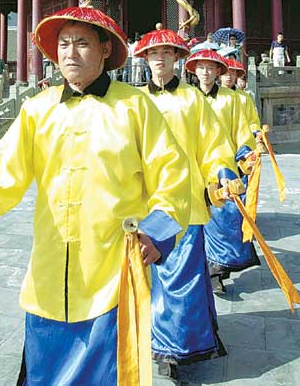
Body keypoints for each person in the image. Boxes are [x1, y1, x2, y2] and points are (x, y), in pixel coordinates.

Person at [0, 4, 191, 386]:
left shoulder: (136, 107)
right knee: (44, 369)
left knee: (108, 371)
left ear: (105, 50)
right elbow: (1, 172)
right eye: (64, 44)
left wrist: (158, 229)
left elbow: (173, 174)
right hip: (51, 268)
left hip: (112, 266)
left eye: (82, 43)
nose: (71, 52)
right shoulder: (38, 109)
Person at [135, 30, 238, 379]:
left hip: (186, 202)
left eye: (166, 53)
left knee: (182, 278)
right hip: (143, 206)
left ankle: (177, 349)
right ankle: (163, 335)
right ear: (144, 60)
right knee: (150, 278)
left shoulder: (193, 100)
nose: (160, 59)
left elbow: (214, 145)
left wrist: (222, 173)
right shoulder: (133, 103)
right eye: (153, 54)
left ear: (177, 59)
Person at [185, 49, 259, 293]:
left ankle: (217, 271)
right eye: (201, 67)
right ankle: (199, 269)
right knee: (194, 222)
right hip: (193, 167)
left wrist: (245, 157)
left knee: (223, 222)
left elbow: (241, 132)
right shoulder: (187, 98)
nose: (205, 72)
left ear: (219, 72)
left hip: (222, 168)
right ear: (194, 71)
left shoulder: (231, 99)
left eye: (210, 68)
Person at [220, 59, 260, 131]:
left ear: (236, 75)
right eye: (226, 73)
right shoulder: (214, 95)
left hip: (241, 136)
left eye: (232, 73)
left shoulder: (244, 97)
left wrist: (255, 132)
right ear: (220, 75)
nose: (229, 77)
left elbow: (253, 120)